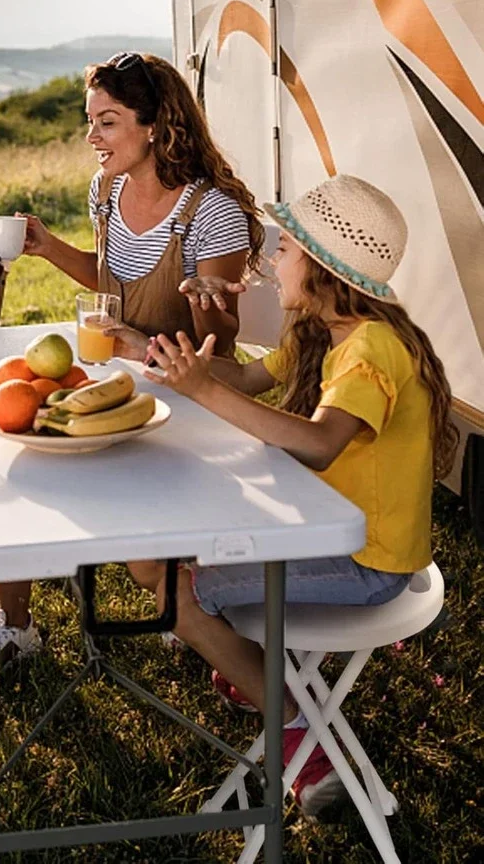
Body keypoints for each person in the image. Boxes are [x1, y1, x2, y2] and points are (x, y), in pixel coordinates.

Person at [125, 175, 457, 818]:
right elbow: (245, 376)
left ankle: (302, 742)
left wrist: (202, 393)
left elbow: (320, 443)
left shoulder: (372, 350)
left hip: (367, 561)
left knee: (179, 589)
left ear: (323, 267)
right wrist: (155, 352)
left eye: (286, 249)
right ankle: (250, 671)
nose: (273, 258)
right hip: (327, 530)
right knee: (160, 559)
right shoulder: (322, 333)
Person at [0, 51, 264, 684]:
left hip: (195, 401)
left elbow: (220, 344)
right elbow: (110, 278)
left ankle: (196, 603)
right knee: (20, 466)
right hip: (119, 380)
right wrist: (45, 247)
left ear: (156, 125)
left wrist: (204, 308)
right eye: (89, 121)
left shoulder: (212, 211)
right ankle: (18, 622)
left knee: (136, 549)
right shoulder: (107, 189)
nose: (91, 138)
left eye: (108, 122)